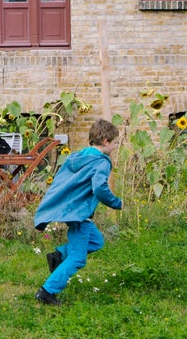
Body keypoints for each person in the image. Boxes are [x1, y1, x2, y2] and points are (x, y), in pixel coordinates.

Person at [33, 119, 122, 306]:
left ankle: (58, 255)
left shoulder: (78, 156)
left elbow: (62, 181)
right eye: (115, 143)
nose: (115, 147)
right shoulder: (102, 163)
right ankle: (47, 291)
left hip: (72, 211)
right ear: (105, 141)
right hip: (80, 215)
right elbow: (99, 189)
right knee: (78, 258)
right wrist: (116, 203)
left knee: (96, 242)